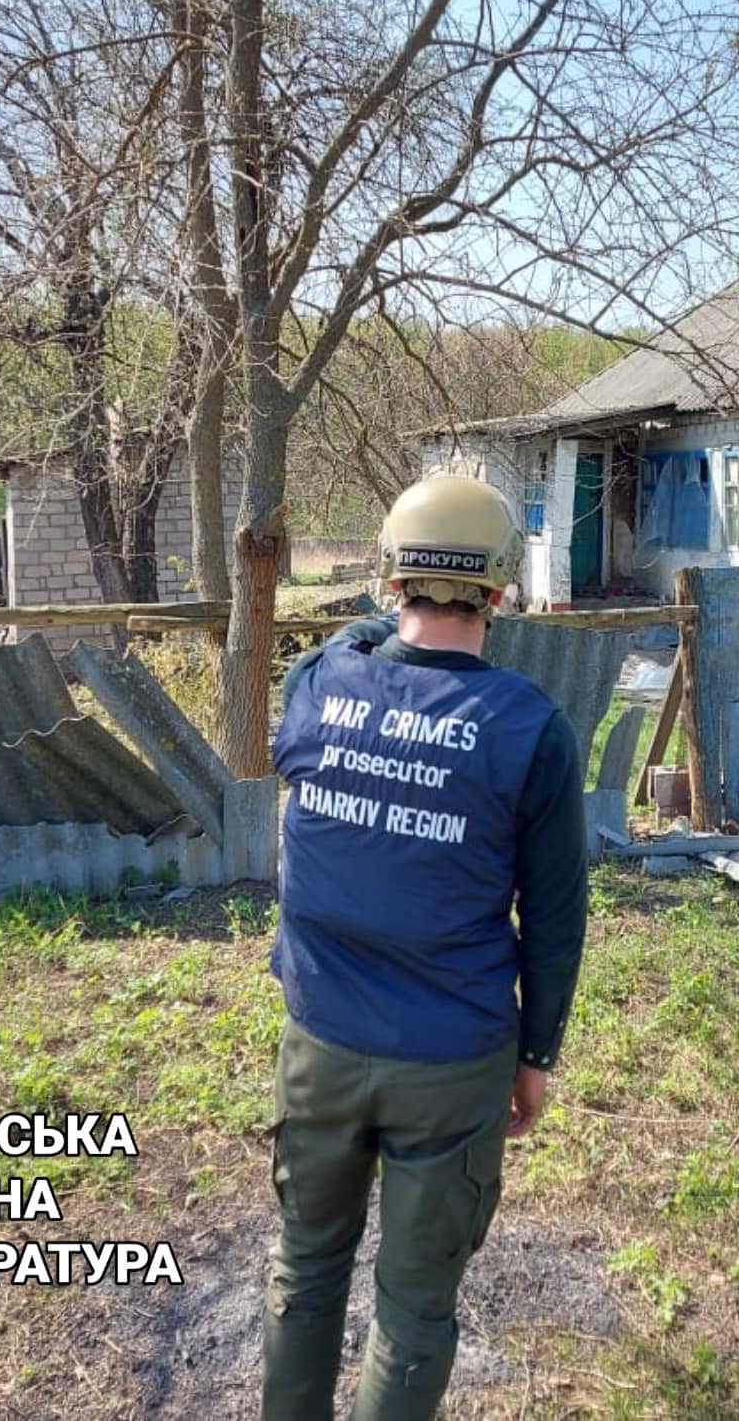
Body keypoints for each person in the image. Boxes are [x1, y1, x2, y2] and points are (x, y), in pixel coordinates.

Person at [263, 476, 589, 1421]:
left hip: (320, 1044)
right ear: (501, 589)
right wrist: (536, 1057)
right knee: (412, 1310)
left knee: (305, 1266)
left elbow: (346, 646)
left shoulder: (320, 683)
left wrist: (381, 624)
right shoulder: (529, 729)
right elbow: (555, 918)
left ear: (389, 576)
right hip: (452, 1062)